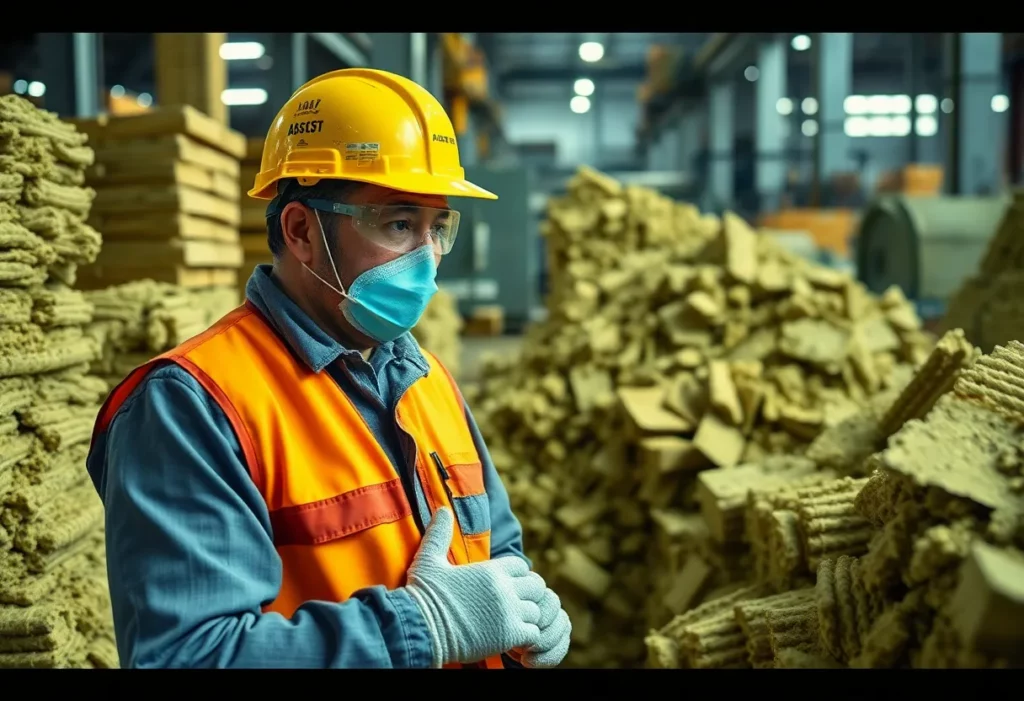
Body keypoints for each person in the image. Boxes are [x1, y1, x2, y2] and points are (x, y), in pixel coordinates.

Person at [85, 68, 571, 669]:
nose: (428, 258)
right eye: (398, 224)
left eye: (438, 228)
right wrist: (420, 629)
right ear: (301, 231)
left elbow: (496, 544)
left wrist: (525, 604)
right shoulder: (193, 406)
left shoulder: (427, 378)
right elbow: (187, 657)